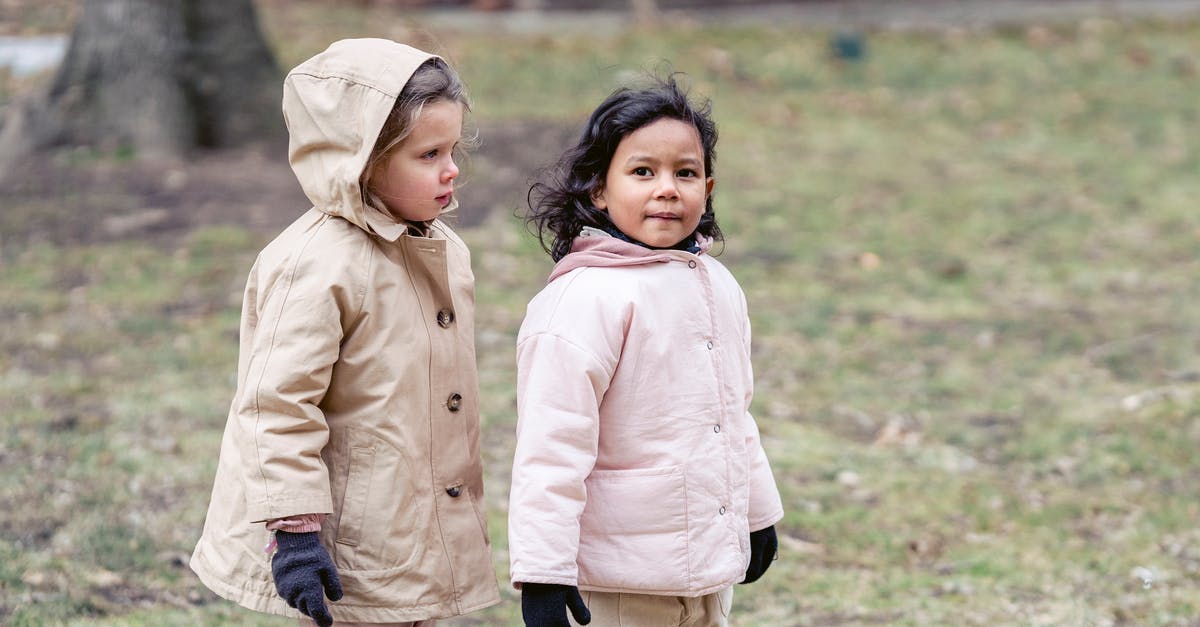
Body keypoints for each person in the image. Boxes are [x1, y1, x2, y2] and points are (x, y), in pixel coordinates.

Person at [189, 38, 501, 626]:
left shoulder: (440, 248)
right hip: (346, 541)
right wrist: (297, 535)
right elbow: (275, 406)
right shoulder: (318, 264)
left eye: (454, 148)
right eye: (429, 153)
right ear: (361, 159)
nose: (452, 167)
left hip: (410, 522)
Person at [508, 75, 785, 627]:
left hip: (705, 568)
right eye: (642, 172)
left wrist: (758, 512)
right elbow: (550, 449)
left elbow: (733, 414)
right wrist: (544, 573)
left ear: (707, 189)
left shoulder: (718, 285)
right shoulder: (582, 301)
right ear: (599, 190)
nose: (667, 188)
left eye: (685, 172)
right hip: (617, 583)